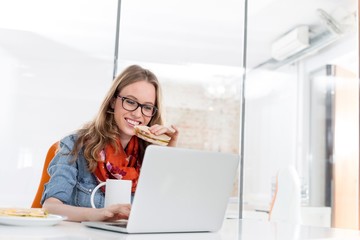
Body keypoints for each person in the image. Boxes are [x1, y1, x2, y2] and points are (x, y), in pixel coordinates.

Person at [41, 65, 179, 222]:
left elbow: (165, 209)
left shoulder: (151, 154)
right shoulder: (75, 145)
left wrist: (170, 151)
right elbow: (50, 208)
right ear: (113, 101)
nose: (137, 113)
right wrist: (97, 215)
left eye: (147, 107)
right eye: (130, 102)